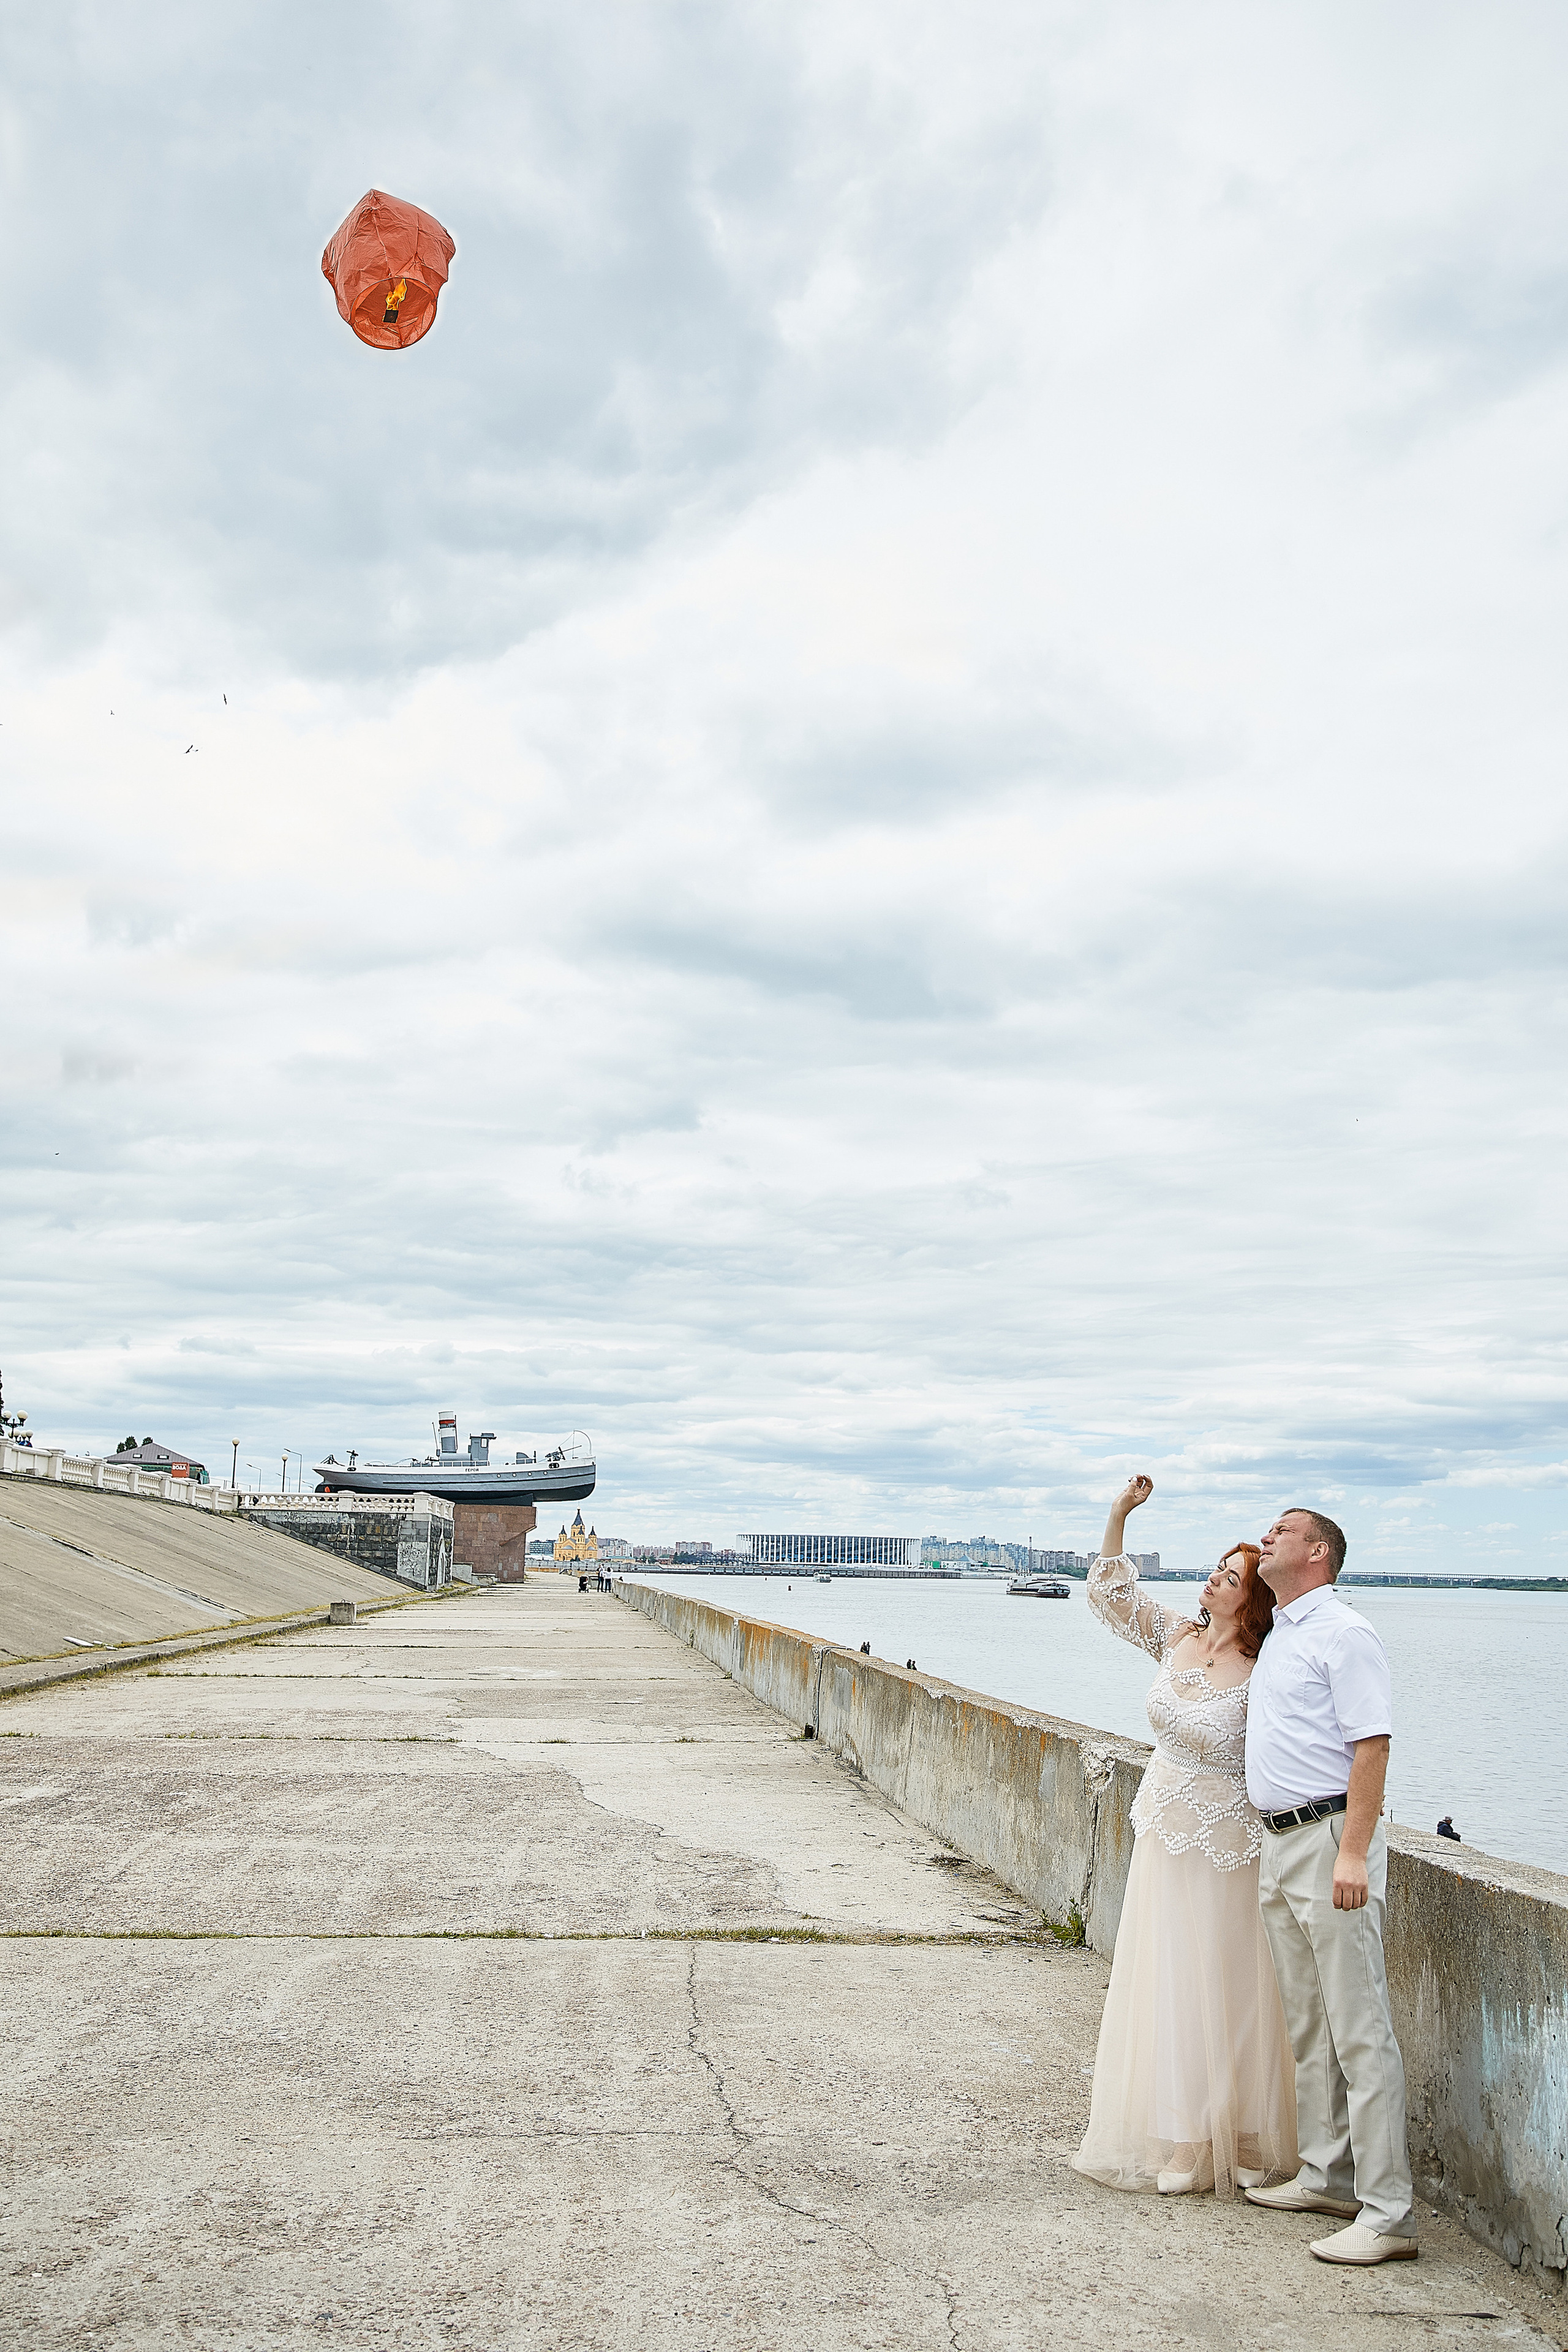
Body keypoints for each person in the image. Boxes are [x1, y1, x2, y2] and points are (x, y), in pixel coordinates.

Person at [1071, 1475, 1296, 2198]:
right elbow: (1110, 1596)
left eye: (1229, 1576)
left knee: (1231, 1985)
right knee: (1168, 1982)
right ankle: (1181, 2132)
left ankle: (1236, 2134)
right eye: (1217, 1568)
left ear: (1251, 1600)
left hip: (1231, 1841)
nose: (1213, 1578)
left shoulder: (1265, 1671)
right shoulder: (1177, 1635)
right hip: (1163, 1832)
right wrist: (1118, 1516)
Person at [1243, 1508, 1417, 2266]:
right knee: (1309, 2025)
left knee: (1359, 2030)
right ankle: (1325, 2173)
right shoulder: (1285, 1630)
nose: (1266, 1536)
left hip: (1327, 1840)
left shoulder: (1345, 1632)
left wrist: (1352, 1854)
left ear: (1317, 1552)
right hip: (1279, 1842)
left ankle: (1388, 2215)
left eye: (1282, 1529)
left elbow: (1370, 1746)